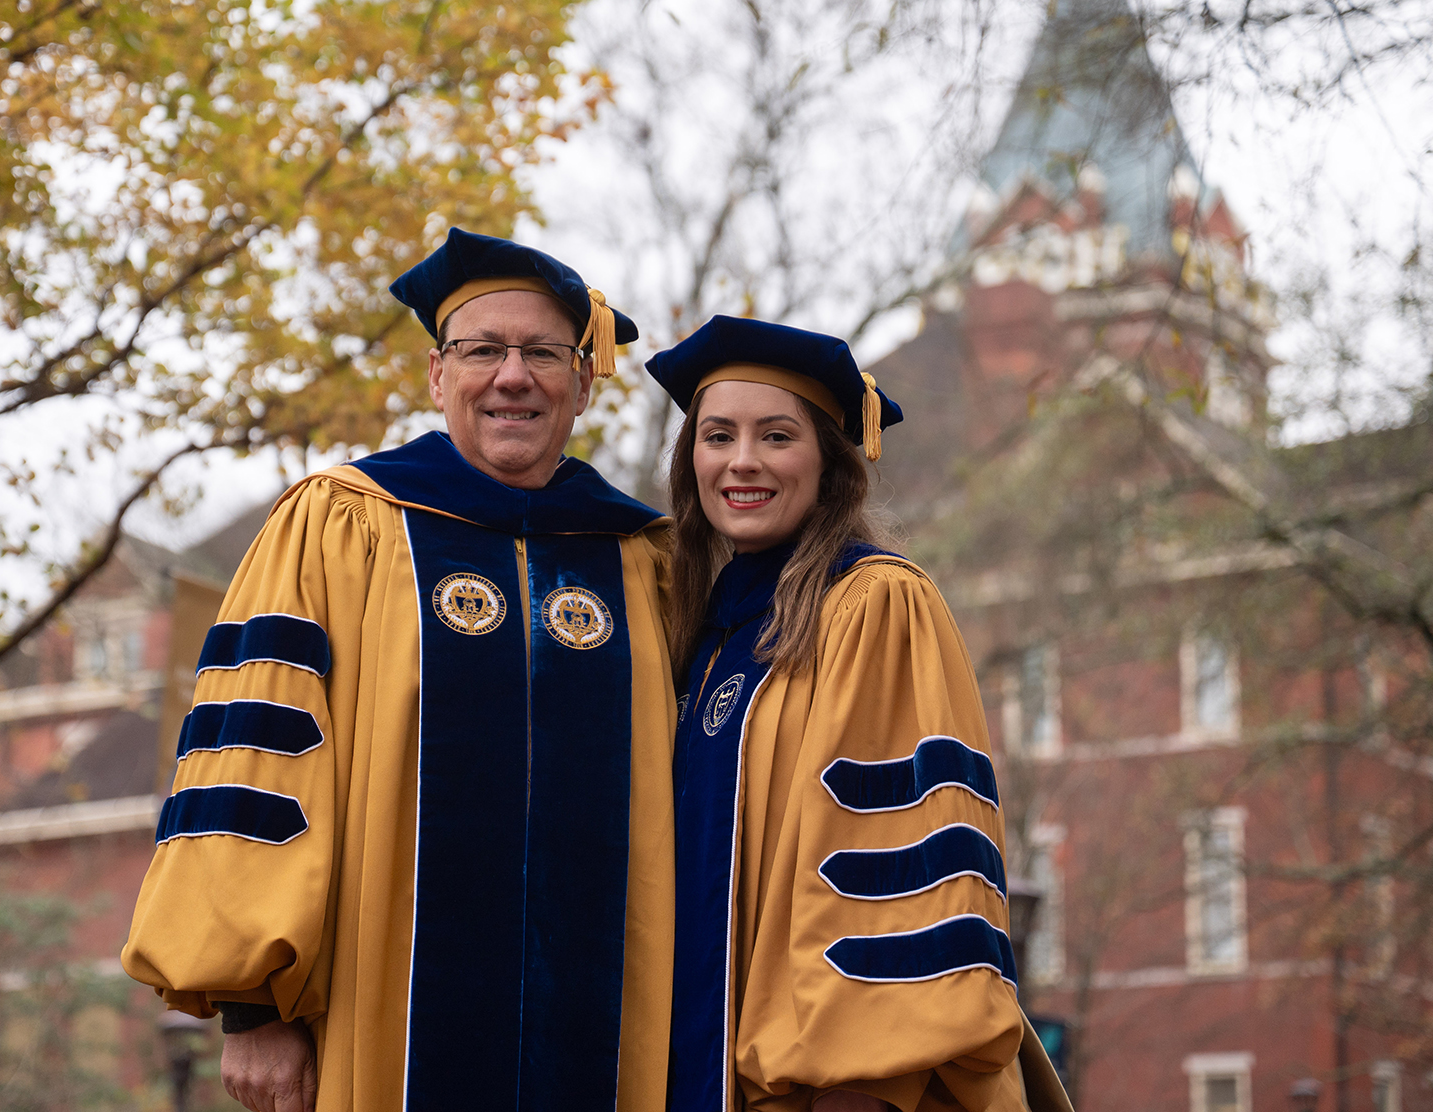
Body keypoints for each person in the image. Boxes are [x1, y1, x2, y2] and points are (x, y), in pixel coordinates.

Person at [123, 229, 678, 1112]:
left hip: (612, 1036)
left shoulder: (640, 559)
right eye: (482, 350)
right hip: (378, 1025)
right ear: (435, 375)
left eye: (542, 352)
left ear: (580, 384)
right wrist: (251, 1006)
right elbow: (256, 759)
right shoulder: (342, 526)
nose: (512, 375)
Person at [644, 316, 1072, 1112]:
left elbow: (895, 873)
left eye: (777, 436)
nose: (743, 461)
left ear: (829, 464)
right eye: (718, 436)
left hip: (839, 1092)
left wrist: (857, 1088)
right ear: (689, 460)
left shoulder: (875, 606)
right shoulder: (698, 636)